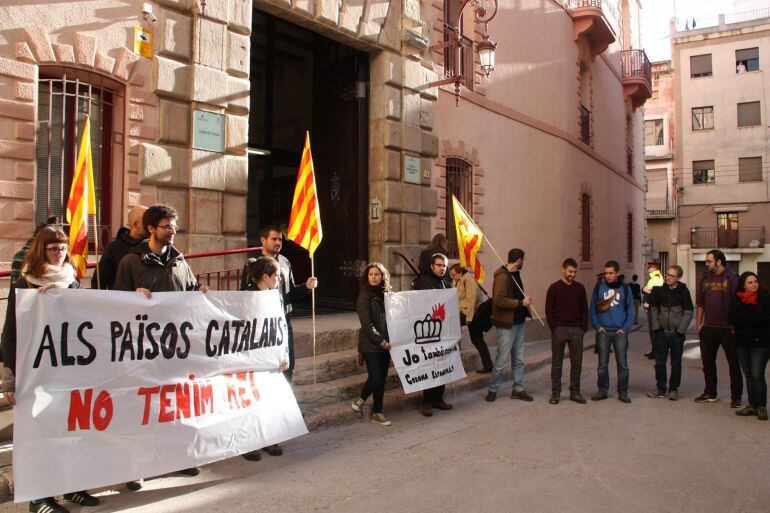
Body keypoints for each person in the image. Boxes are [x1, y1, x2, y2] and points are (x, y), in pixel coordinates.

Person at [1, 225, 101, 513]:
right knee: (40, 434)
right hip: (36, 371)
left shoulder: (72, 281)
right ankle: (39, 497)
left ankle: (72, 486)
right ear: (41, 250)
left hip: (68, 369)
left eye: (64, 248)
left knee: (71, 429)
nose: (60, 254)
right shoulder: (26, 284)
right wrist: (9, 378)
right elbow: (10, 332)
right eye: (53, 248)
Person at [113, 204, 209, 488]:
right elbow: (114, 303)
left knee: (175, 406)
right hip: (142, 350)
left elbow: (190, 290)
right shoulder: (130, 263)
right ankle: (134, 468)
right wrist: (133, 297)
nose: (172, 232)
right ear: (151, 229)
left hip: (176, 348)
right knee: (141, 410)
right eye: (167, 227)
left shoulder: (180, 261)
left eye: (174, 227)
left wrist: (199, 291)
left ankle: (176, 459)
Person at [241, 257, 291, 458]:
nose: (279, 279)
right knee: (250, 401)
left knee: (269, 399)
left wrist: (284, 353)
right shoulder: (245, 296)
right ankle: (249, 443)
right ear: (265, 277)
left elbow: (281, 325)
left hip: (271, 355)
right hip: (251, 356)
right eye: (277, 275)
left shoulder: (275, 296)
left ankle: (269, 439)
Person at [694, 249, 742, 407]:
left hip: (728, 329)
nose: (706, 264)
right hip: (709, 327)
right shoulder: (705, 278)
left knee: (733, 364)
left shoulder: (733, 279)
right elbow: (701, 303)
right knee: (708, 363)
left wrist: (736, 326)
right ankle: (710, 392)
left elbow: (739, 304)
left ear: (718, 262)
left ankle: (736, 397)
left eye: (708, 261)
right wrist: (699, 324)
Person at [485, 248, 533, 403]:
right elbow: (498, 300)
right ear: (519, 260)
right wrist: (521, 302)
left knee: (518, 359)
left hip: (519, 322)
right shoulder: (502, 277)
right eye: (523, 260)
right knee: (502, 359)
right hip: (507, 324)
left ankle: (518, 389)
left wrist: (523, 302)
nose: (523, 263)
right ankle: (493, 389)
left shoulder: (515, 274)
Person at [352, 262, 393, 426]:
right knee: (375, 378)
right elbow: (367, 325)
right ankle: (361, 399)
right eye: (371, 274)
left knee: (382, 379)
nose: (374, 277)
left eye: (377, 274)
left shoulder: (388, 295)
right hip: (371, 344)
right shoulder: (364, 296)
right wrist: (381, 341)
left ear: (382, 276)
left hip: (387, 343)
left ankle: (377, 412)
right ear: (366, 277)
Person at [413, 253, 453, 416]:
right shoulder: (424, 282)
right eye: (439, 265)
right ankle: (427, 401)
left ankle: (438, 399)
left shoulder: (445, 282)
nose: (442, 268)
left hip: (444, 330)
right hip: (428, 331)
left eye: (444, 266)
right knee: (430, 366)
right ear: (431, 266)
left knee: (442, 364)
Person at [545, 258, 588, 405]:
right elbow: (548, 310)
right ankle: (555, 393)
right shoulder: (554, 288)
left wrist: (583, 328)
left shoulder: (580, 288)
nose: (573, 274)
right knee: (557, 364)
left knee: (577, 364)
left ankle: (575, 392)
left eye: (575, 272)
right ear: (563, 270)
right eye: (570, 271)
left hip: (577, 330)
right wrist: (554, 328)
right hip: (559, 330)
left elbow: (584, 309)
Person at [590, 260, 634, 403]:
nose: (608, 276)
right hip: (603, 331)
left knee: (622, 364)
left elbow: (631, 311)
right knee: (602, 365)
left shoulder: (625, 289)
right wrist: (597, 326)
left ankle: (623, 392)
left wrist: (625, 328)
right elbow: (593, 309)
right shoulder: (599, 287)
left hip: (619, 332)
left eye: (611, 273)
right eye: (606, 273)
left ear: (617, 273)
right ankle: (602, 390)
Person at [647, 265, 693, 401]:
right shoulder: (660, 291)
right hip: (661, 332)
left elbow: (688, 312)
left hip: (676, 334)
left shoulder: (683, 292)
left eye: (672, 275)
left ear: (678, 277)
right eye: (667, 274)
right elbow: (654, 309)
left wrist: (680, 331)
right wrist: (656, 328)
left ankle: (673, 389)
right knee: (659, 362)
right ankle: (661, 388)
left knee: (676, 362)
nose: (668, 277)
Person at [728, 272, 770, 420]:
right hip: (742, 343)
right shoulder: (737, 300)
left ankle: (761, 406)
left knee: (757, 374)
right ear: (743, 285)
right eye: (750, 283)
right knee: (749, 375)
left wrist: (744, 320)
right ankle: (752, 405)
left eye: (755, 282)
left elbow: (759, 318)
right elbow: (731, 318)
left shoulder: (764, 298)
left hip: (761, 343)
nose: (754, 285)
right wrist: (747, 321)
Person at [449, 263, 493, 373]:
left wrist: (469, 317)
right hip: (467, 311)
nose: (452, 277)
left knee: (452, 325)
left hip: (471, 312)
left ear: (459, 272)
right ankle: (488, 365)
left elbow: (471, 298)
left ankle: (449, 359)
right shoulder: (457, 280)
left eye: (453, 274)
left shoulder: (468, 279)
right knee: (477, 339)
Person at [91, 205, 147, 289]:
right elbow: (100, 281)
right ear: (135, 224)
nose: (151, 226)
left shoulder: (153, 246)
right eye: (147, 222)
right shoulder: (114, 248)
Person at [642, 265, 664, 359]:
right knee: (652, 330)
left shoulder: (656, 278)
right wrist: (644, 290)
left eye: (650, 268)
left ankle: (657, 351)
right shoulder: (654, 278)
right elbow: (646, 289)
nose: (648, 269)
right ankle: (654, 350)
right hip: (652, 307)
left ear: (655, 269)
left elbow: (654, 293)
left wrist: (648, 302)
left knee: (654, 330)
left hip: (653, 308)